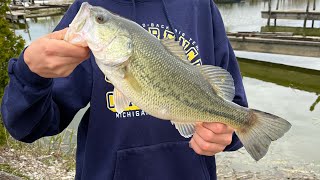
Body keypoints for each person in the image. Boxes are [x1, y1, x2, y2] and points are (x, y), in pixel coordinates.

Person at [1, 0, 248, 179]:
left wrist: (225, 134)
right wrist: (31, 74)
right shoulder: (86, 11)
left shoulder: (201, 6)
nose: (94, 18)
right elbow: (29, 127)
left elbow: (233, 105)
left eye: (100, 20)